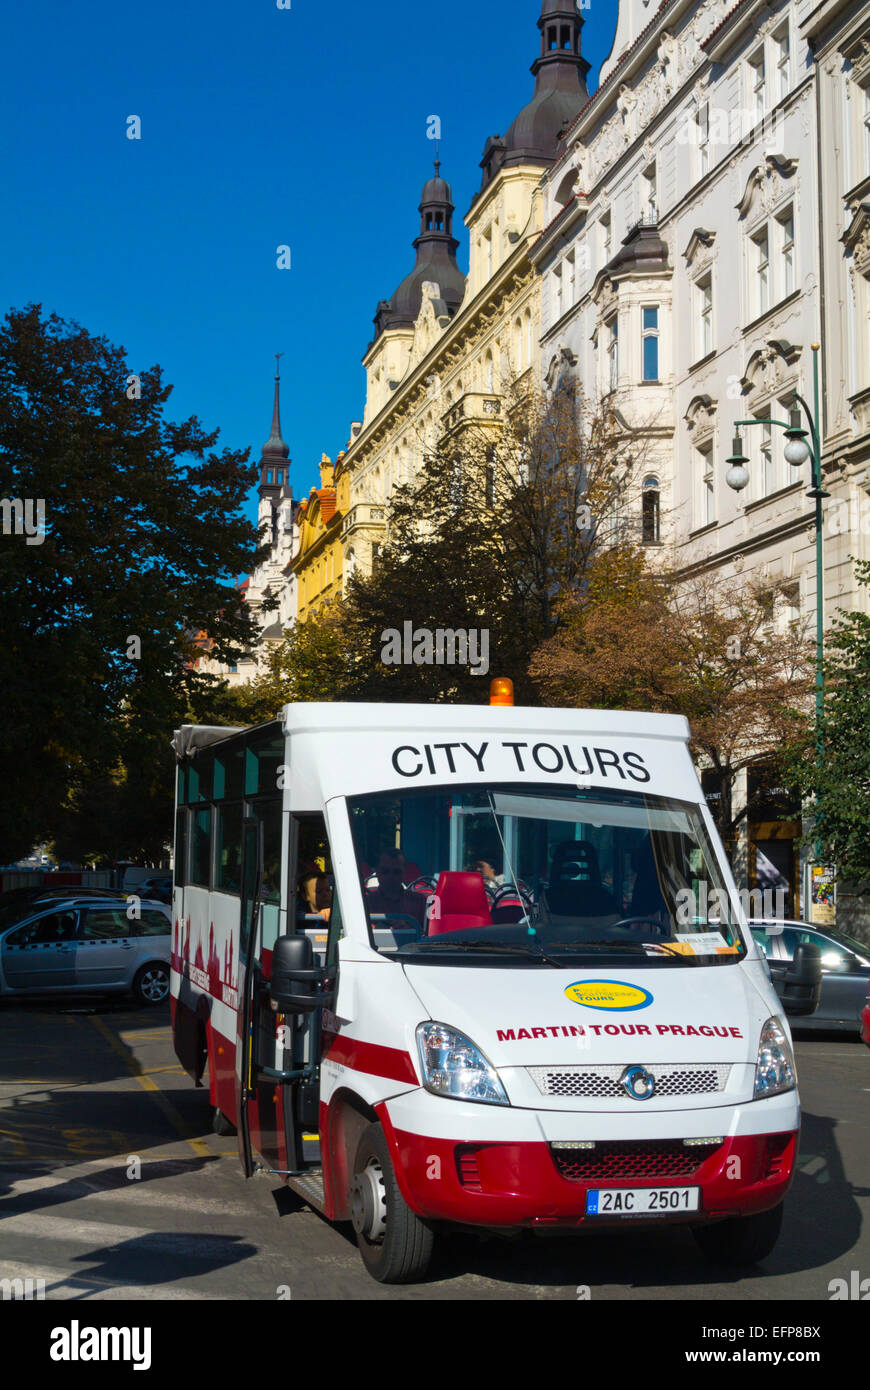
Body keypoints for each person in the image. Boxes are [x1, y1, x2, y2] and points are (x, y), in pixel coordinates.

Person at [365, 848, 426, 925]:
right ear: (377, 872)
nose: (391, 876)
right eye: (385, 871)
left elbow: (430, 935)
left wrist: (408, 930)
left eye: (396, 872)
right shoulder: (366, 904)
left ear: (404, 873)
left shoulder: (420, 902)